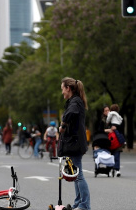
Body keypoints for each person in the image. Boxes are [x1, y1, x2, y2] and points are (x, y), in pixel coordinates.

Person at [59, 77, 90, 210]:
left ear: (68, 88)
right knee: (75, 174)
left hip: (75, 143)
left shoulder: (75, 102)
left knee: (79, 176)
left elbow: (70, 113)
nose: (62, 93)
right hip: (74, 143)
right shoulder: (75, 101)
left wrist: (63, 124)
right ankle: (78, 203)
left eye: (63, 89)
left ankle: (84, 205)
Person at [104, 104, 124, 177]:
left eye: (108, 110)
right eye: (105, 111)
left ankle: (113, 169)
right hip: (113, 139)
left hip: (113, 140)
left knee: (114, 155)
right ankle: (114, 169)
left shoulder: (110, 116)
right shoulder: (118, 116)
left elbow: (108, 120)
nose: (107, 112)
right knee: (114, 156)